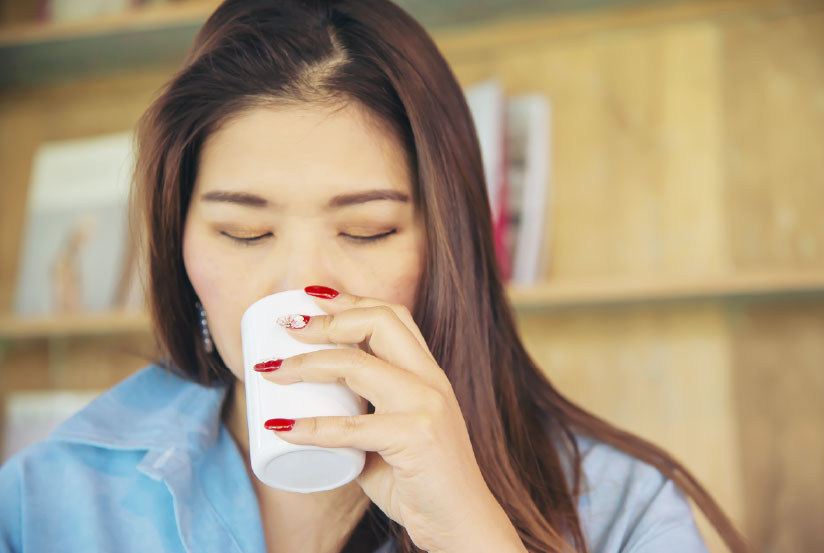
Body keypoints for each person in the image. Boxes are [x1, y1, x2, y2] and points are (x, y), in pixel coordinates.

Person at [0, 1, 748, 552]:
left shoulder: (616, 506)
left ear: (445, 247)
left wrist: (474, 532)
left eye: (368, 229)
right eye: (244, 231)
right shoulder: (47, 497)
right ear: (180, 243)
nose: (300, 279)